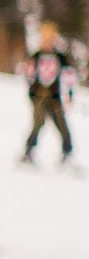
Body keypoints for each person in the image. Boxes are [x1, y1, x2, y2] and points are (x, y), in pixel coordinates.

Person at [18, 21, 77, 168]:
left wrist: (70, 93)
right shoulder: (36, 56)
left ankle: (67, 152)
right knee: (38, 122)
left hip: (54, 96)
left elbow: (69, 75)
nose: (47, 42)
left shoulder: (60, 57)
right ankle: (29, 151)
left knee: (61, 123)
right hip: (38, 95)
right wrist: (31, 91)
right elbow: (27, 73)